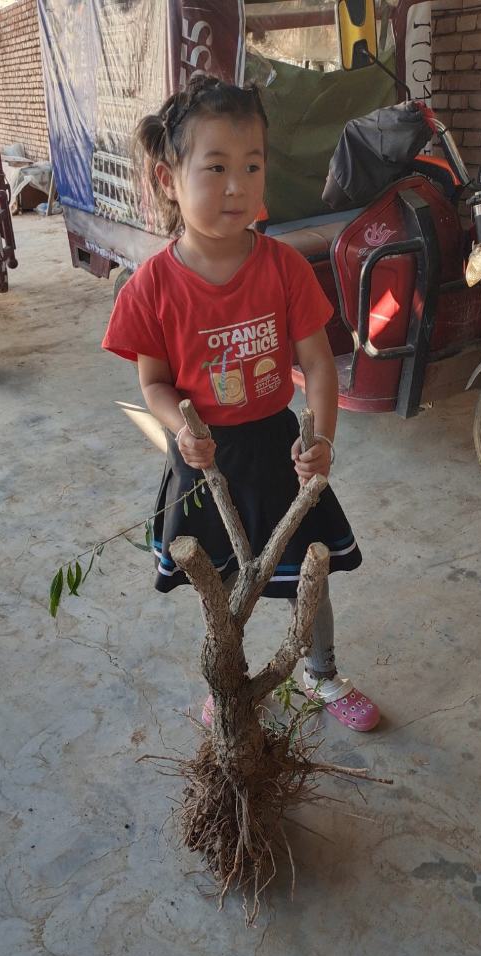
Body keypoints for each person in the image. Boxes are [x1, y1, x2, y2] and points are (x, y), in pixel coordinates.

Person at [102, 74, 380, 732]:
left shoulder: (282, 266)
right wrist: (182, 431)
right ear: (169, 178)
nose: (237, 184)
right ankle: (230, 679)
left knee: (309, 568)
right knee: (230, 582)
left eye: (252, 165)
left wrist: (321, 441)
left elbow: (315, 362)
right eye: (217, 166)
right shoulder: (150, 288)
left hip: (277, 446)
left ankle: (320, 671)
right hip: (207, 465)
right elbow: (154, 385)